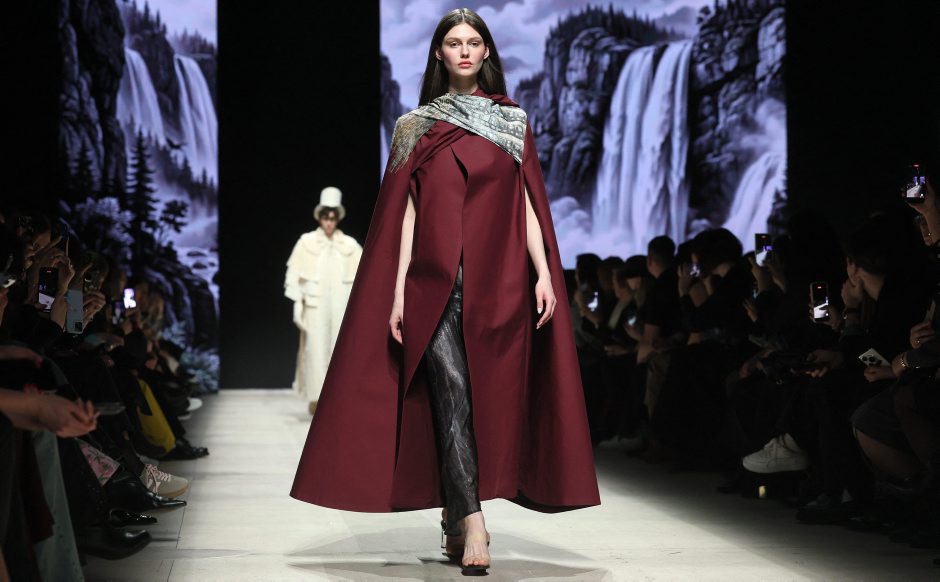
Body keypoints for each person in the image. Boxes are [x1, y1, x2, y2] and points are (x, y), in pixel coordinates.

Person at [291, 8, 599, 575]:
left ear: (486, 52)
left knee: (484, 398)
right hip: (433, 285)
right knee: (453, 392)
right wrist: (398, 294)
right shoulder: (414, 126)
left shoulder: (512, 122)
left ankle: (456, 514)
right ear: (439, 52)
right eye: (454, 42)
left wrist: (543, 272)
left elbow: (528, 202)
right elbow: (405, 216)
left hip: (499, 284)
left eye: (473, 42)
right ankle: (475, 523)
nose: (464, 51)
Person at [284, 187, 362, 415]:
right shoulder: (306, 242)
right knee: (315, 351)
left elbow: (363, 277)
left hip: (341, 304)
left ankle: (338, 398)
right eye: (325, 217)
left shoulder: (349, 245)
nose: (329, 222)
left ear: (338, 218)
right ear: (319, 217)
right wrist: (297, 304)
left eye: (333, 217)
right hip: (315, 304)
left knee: (339, 349)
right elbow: (293, 275)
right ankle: (317, 399)